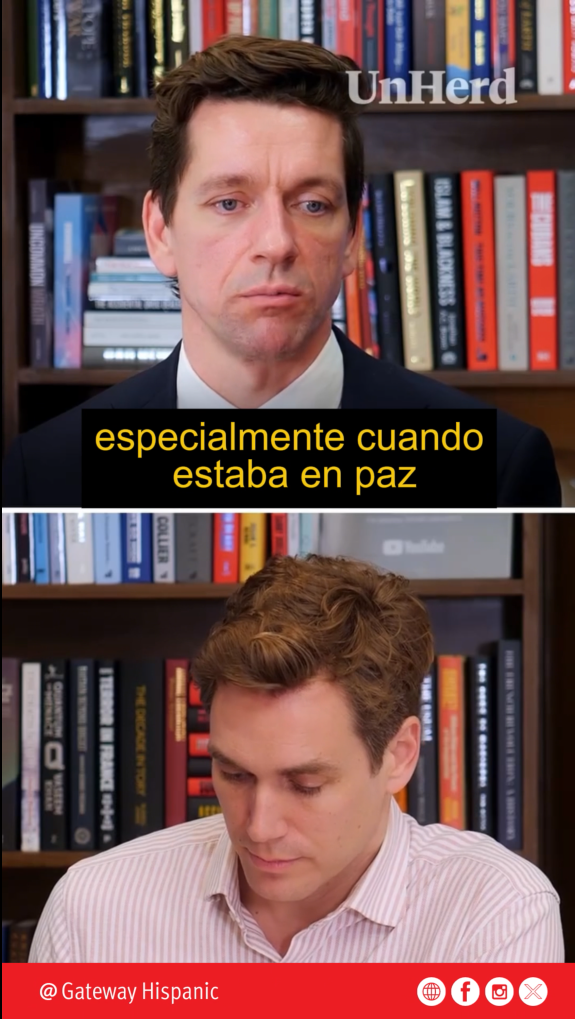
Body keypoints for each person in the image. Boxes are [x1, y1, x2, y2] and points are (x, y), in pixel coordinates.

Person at [2, 37, 562, 507]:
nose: (276, 244)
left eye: (312, 204)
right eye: (229, 203)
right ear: (160, 231)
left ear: (353, 237)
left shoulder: (496, 466)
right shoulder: (46, 473)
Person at [29, 555, 564, 963]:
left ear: (398, 756)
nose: (258, 827)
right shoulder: (92, 906)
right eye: (233, 774)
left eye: (306, 784)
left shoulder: (498, 910)